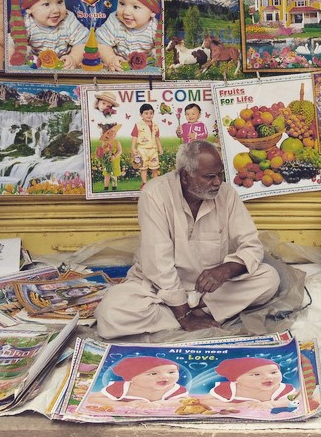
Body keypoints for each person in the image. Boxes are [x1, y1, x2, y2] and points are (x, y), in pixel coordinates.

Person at [94, 140, 281, 339]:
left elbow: (251, 245)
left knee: (269, 279)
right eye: (210, 177)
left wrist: (225, 270)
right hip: (159, 290)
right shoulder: (154, 195)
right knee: (110, 315)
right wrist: (184, 315)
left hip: (211, 290)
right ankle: (194, 315)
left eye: (219, 175)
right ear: (185, 176)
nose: (217, 182)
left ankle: (197, 310)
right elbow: (159, 263)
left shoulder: (226, 194)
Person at [7, 0, 88, 68]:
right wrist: (12, 56)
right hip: (37, 67)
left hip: (62, 65)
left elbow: (82, 42)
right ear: (29, 9)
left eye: (60, 2)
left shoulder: (68, 19)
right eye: (46, 4)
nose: (56, 10)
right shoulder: (26, 24)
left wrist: (73, 58)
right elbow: (11, 43)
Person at [96, 0, 161, 72]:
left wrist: (157, 55)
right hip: (118, 69)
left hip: (144, 71)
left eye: (135, 7)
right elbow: (101, 43)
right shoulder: (115, 21)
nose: (126, 12)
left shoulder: (155, 28)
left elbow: (160, 51)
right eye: (122, 3)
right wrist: (110, 59)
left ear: (152, 11)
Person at [201, 357, 296, 411]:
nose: (268, 377)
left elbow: (295, 400)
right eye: (256, 374)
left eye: (274, 372)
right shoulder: (228, 389)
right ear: (236, 379)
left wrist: (272, 404)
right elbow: (205, 401)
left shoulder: (282, 389)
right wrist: (236, 405)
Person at [90, 356, 188, 405]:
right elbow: (93, 398)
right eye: (153, 373)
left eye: (171, 372)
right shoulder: (121, 388)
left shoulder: (174, 389)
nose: (165, 376)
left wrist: (160, 404)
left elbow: (187, 401)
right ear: (131, 378)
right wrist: (124, 405)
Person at [130, 103, 163, 189]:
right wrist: (133, 147)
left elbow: (157, 137)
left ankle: (155, 183)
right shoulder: (138, 125)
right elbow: (134, 136)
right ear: (141, 114)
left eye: (151, 113)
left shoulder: (155, 126)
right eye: (146, 113)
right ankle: (144, 183)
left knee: (155, 167)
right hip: (142, 150)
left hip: (153, 150)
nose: (149, 115)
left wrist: (160, 147)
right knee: (143, 168)